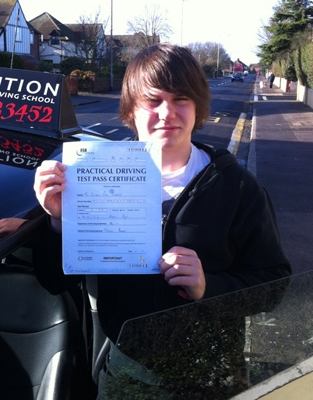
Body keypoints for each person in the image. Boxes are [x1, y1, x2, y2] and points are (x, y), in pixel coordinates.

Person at [33, 43, 291, 396]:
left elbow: (274, 283)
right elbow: (52, 281)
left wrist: (208, 287)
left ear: (198, 106)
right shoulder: (88, 178)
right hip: (127, 372)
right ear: (131, 110)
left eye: (181, 99)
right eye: (153, 101)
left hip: (211, 375)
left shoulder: (237, 187)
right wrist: (57, 221)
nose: (167, 112)